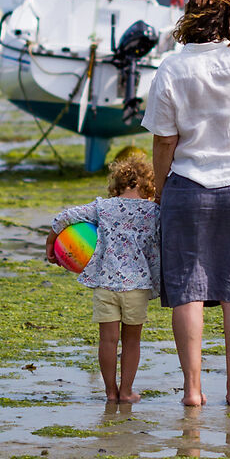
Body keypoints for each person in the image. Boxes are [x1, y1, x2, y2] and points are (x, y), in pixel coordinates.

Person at [144, 0, 230, 411]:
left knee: (187, 290)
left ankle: (192, 390)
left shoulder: (172, 67)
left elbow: (163, 141)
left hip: (187, 186)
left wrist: (161, 192)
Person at [47, 147, 160, 406]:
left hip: (105, 285)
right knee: (132, 342)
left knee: (107, 341)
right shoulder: (154, 212)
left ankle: (110, 392)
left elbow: (63, 217)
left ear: (117, 186)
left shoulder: (103, 208)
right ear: (149, 188)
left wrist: (50, 242)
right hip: (137, 287)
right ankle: (127, 391)